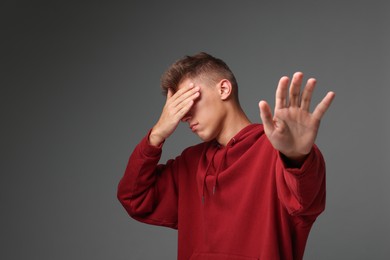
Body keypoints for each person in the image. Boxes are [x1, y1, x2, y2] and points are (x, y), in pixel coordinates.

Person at [117, 52, 335, 260]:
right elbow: (135, 198)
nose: (183, 115)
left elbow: (304, 199)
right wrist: (156, 135)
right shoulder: (189, 163)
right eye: (175, 107)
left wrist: (296, 155)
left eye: (187, 100)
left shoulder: (276, 151)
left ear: (223, 89)